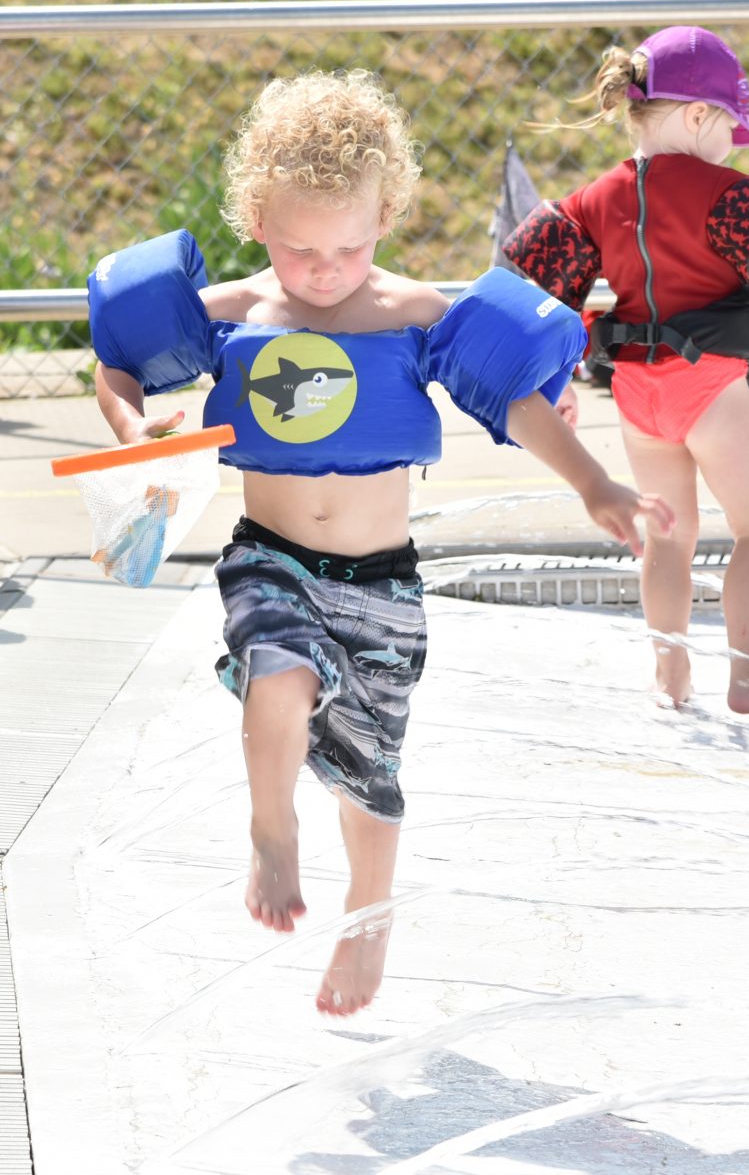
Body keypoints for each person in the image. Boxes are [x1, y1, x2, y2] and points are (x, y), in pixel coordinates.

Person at [90, 69, 674, 1017]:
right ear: (256, 220)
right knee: (277, 664)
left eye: (349, 246)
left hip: (383, 584)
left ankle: (368, 920)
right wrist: (132, 435)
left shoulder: (415, 317)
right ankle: (271, 827)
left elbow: (516, 401)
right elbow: (116, 365)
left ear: (388, 215)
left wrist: (594, 480)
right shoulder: (232, 314)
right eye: (299, 247)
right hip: (269, 555)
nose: (323, 270)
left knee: (373, 771)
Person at [504, 26, 749, 715]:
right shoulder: (722, 195)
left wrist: (553, 388)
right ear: (699, 115)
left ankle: (670, 676)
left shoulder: (591, 199)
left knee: (668, 538)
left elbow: (546, 305)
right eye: (731, 125)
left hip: (635, 393)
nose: (732, 143)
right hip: (709, 387)